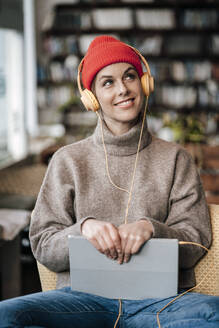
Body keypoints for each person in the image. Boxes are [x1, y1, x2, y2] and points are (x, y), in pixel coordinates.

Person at [0, 35, 218, 328]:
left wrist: (151, 229)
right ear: (91, 98)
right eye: (108, 82)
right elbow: (42, 244)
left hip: (161, 301)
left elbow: (197, 239)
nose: (123, 89)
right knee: (6, 315)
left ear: (144, 84)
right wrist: (84, 229)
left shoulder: (176, 158)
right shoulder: (68, 160)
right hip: (82, 300)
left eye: (130, 76)